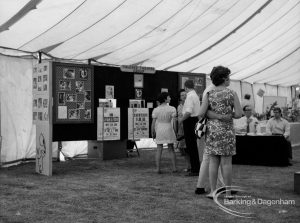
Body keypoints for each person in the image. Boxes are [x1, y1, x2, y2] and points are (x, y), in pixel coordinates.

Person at [198, 66, 242, 198]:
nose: (229, 79)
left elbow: (200, 114)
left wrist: (215, 115)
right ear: (224, 78)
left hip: (212, 132)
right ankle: (228, 193)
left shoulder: (209, 94)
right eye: (228, 77)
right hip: (227, 131)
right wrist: (228, 114)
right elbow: (239, 114)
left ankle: (213, 191)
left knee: (213, 162)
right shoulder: (232, 93)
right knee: (226, 163)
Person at [151, 92, 178, 173]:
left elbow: (153, 123)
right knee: (171, 148)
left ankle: (158, 169)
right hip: (169, 127)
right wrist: (175, 131)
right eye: (168, 97)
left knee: (159, 149)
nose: (170, 98)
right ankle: (174, 168)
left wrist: (152, 132)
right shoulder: (172, 108)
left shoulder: (156, 109)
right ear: (165, 99)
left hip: (159, 129)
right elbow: (174, 122)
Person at [178, 80, 200, 176]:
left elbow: (188, 112)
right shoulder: (195, 95)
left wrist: (181, 120)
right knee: (193, 146)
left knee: (191, 146)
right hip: (194, 120)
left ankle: (194, 169)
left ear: (186, 87)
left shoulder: (190, 96)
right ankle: (195, 168)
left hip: (189, 121)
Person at [176, 89, 191, 172]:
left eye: (185, 95)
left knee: (190, 148)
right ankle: (188, 166)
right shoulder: (179, 106)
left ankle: (192, 165)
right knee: (184, 149)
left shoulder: (190, 105)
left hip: (189, 129)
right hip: (182, 129)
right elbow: (179, 118)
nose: (184, 96)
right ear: (180, 97)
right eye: (182, 95)